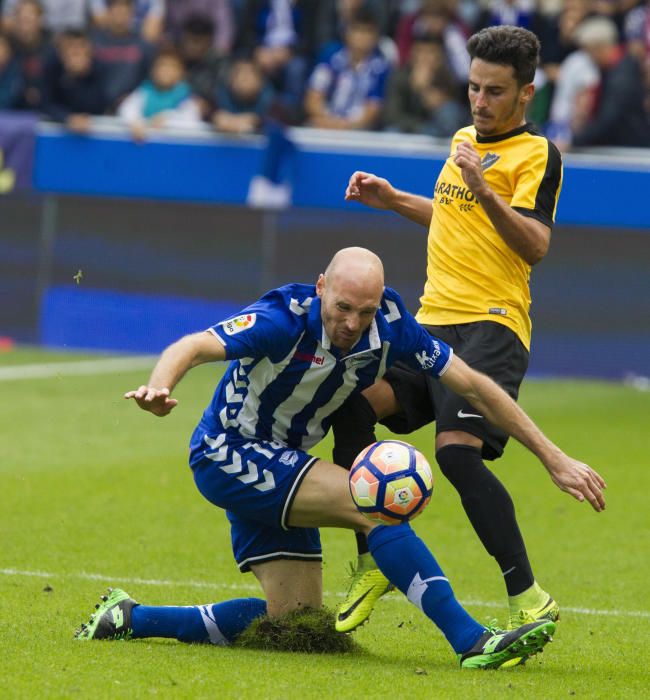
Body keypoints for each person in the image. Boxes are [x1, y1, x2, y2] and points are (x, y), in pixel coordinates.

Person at [71, 247, 603, 669]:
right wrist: (159, 390)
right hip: (228, 453)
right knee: (373, 504)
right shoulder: (282, 318)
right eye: (342, 307)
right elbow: (192, 345)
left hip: (286, 461)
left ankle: (129, 618)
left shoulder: (392, 324)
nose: (351, 322)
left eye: (364, 311)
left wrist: (552, 457)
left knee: (295, 624)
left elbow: (475, 387)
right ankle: (471, 640)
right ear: (322, 287)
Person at [331, 25, 597, 637]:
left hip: (493, 325)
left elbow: (534, 244)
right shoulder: (461, 139)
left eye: (495, 91)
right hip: (431, 323)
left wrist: (482, 185)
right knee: (349, 404)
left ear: (526, 94)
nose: (479, 101)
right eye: (474, 87)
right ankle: (375, 554)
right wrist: (393, 198)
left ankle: (528, 596)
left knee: (455, 455)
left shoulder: (539, 155)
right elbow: (454, 217)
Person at [304, 7, 390, 131]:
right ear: (347, 32)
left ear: (376, 37)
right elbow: (313, 97)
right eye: (357, 30)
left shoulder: (380, 67)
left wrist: (345, 125)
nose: (361, 37)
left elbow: (373, 109)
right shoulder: (330, 56)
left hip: (358, 129)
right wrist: (328, 121)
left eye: (367, 32)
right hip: (325, 122)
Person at [117, 47, 202, 141]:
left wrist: (168, 120)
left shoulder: (185, 95)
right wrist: (135, 122)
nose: (165, 70)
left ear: (181, 72)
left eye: (172, 66)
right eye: (161, 65)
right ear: (152, 70)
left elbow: (192, 119)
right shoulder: (144, 91)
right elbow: (127, 109)